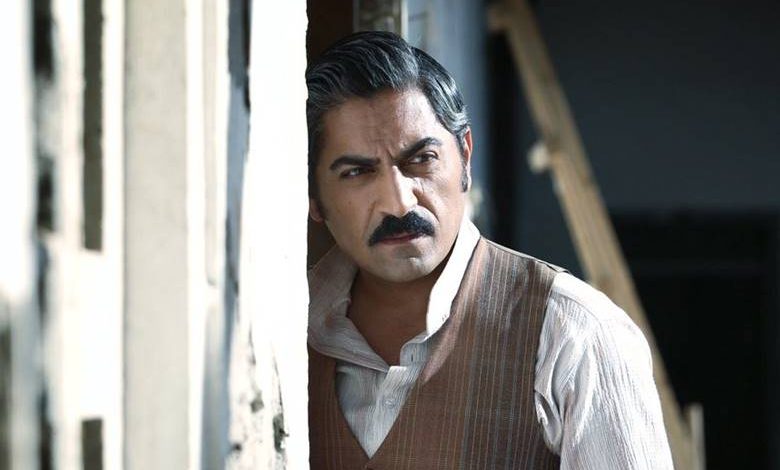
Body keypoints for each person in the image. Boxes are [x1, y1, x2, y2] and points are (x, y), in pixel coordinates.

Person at [306, 31, 673, 469]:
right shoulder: (285, 324)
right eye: (357, 172)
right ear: (313, 196)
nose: (400, 202)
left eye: (421, 159)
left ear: (465, 156)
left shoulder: (573, 334)